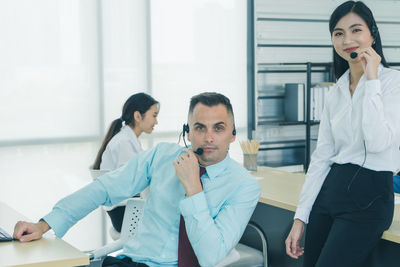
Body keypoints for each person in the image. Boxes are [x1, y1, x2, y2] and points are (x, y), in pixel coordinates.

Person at [13, 92, 261, 267]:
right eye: (199, 128)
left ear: (232, 134)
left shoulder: (244, 186)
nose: (208, 138)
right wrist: (45, 224)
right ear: (187, 132)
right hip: (132, 262)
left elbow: (209, 256)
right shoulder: (162, 156)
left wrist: (193, 188)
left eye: (218, 128)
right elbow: (105, 188)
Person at [285, 1, 400, 267]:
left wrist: (371, 81)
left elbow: (378, 142)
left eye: (356, 30)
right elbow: (322, 156)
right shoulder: (335, 90)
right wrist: (300, 217)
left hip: (370, 195)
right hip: (331, 190)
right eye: (338, 33)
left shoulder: (392, 83)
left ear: (372, 33)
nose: (347, 39)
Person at [93, 92, 159, 236]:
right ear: (137, 116)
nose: (156, 122)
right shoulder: (124, 143)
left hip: (124, 210)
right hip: (125, 214)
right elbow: (133, 182)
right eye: (154, 115)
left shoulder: (128, 139)